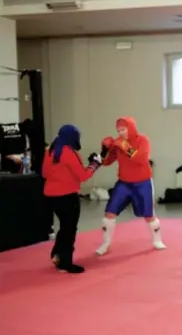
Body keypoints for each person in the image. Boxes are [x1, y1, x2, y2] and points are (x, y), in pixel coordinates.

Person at [96, 117, 165, 255]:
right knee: (109, 213)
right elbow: (107, 162)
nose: (121, 132)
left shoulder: (142, 140)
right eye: (118, 130)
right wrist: (104, 151)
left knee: (149, 216)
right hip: (124, 183)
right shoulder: (118, 143)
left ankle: (157, 240)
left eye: (123, 129)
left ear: (131, 128)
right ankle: (106, 243)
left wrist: (125, 146)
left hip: (143, 183)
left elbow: (141, 159)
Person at [42, 124, 102, 273]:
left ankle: (57, 255)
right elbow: (83, 175)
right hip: (67, 196)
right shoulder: (69, 152)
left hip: (51, 197)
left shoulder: (50, 150)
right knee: (69, 229)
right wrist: (95, 165)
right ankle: (66, 263)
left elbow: (44, 173)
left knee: (64, 227)